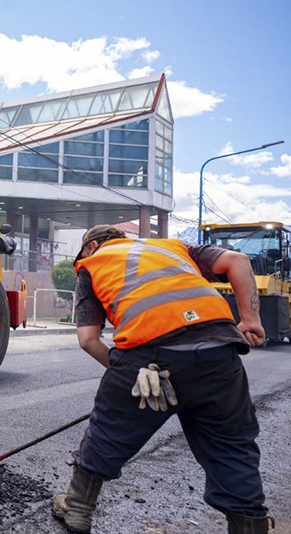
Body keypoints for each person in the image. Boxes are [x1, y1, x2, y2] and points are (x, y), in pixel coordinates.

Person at [52, 225, 272, 534]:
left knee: (109, 429)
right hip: (219, 352)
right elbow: (238, 261)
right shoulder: (174, 248)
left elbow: (88, 340)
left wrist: (126, 375)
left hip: (148, 355)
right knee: (231, 446)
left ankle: (77, 508)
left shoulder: (94, 262)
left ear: (91, 246)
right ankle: (250, 526)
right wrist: (250, 319)